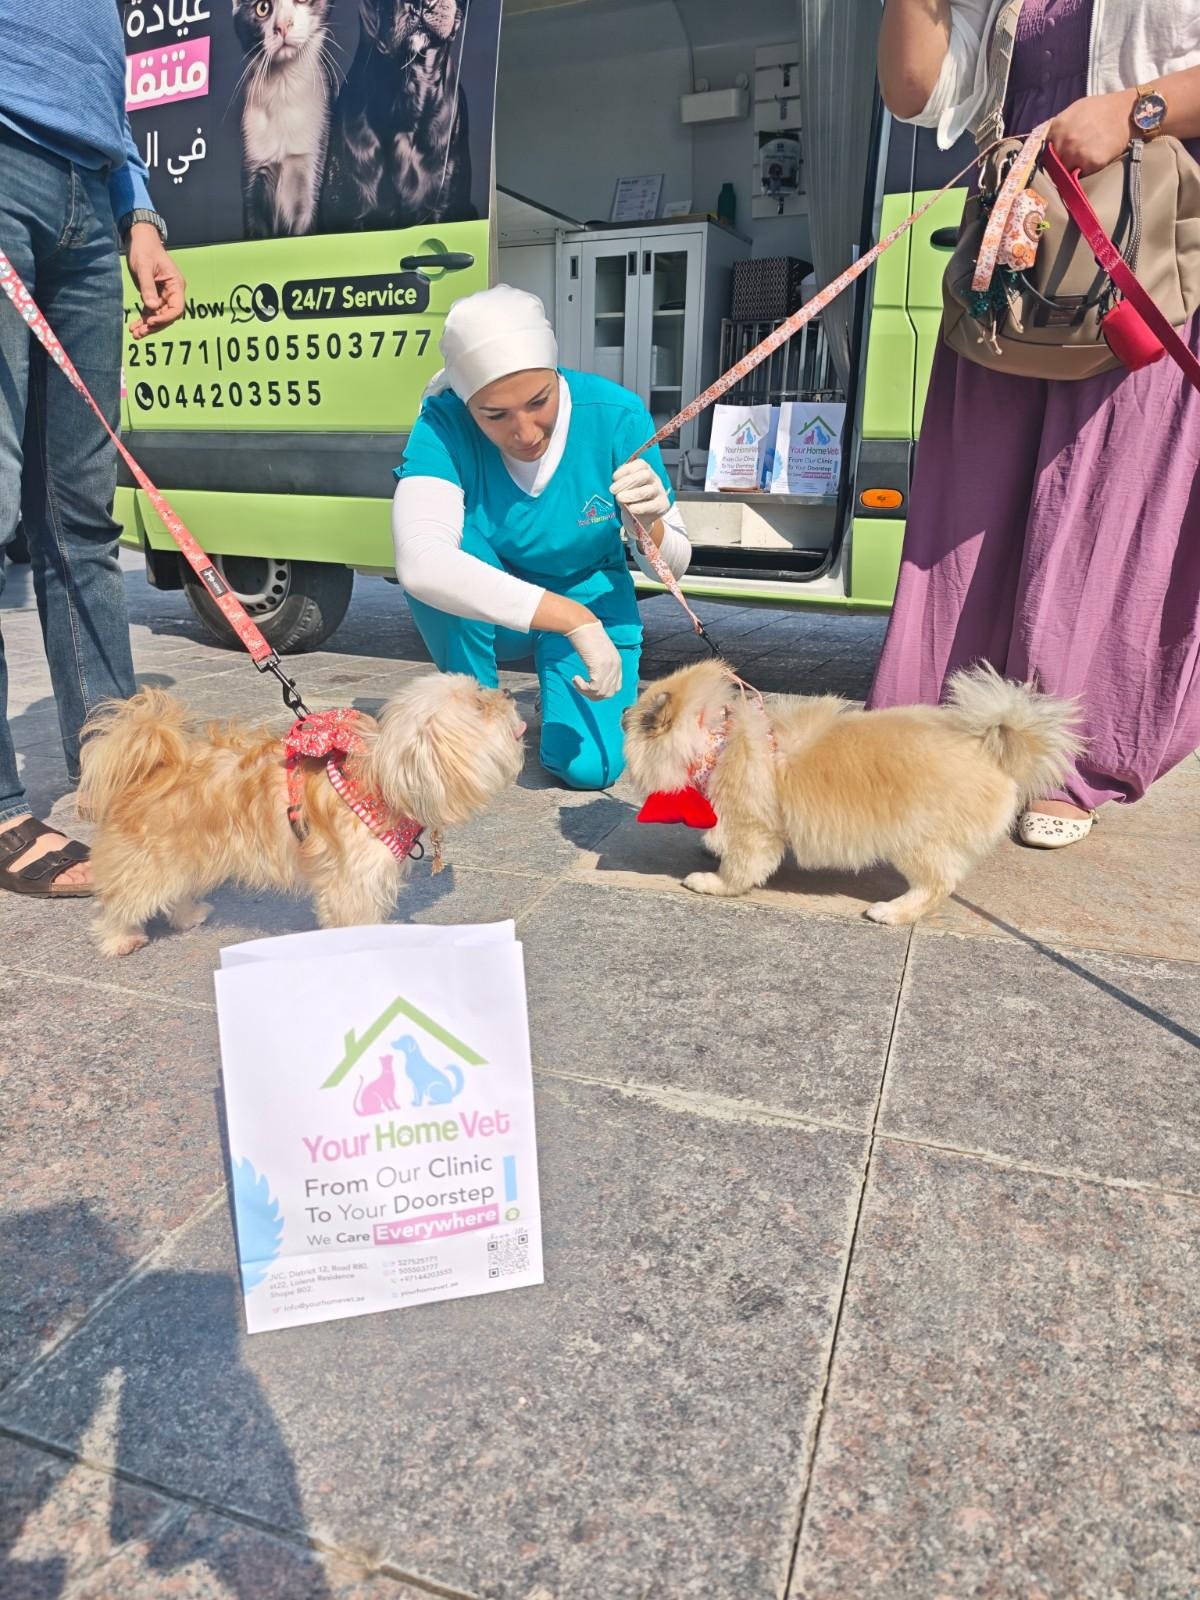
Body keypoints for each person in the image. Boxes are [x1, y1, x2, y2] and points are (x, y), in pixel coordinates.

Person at [872, 0, 1200, 846]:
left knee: (1104, 497)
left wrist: (1136, 109)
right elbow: (913, 91)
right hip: (1019, 241)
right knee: (969, 498)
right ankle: (938, 739)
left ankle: (1066, 757)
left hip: (1146, 233)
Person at [0, 4, 187, 896]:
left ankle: (121, 785)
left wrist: (137, 214)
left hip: (89, 186)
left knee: (82, 515)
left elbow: (102, 90)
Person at [392, 285, 692, 790]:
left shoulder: (615, 415)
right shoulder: (442, 423)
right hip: (505, 605)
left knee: (592, 768)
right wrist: (573, 620)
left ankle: (554, 693)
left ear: (556, 375)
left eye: (539, 402)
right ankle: (476, 711)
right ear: (466, 404)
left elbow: (674, 568)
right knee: (449, 552)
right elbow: (421, 561)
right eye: (495, 415)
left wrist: (650, 524)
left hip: (590, 592)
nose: (527, 432)